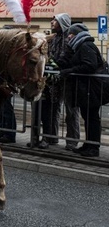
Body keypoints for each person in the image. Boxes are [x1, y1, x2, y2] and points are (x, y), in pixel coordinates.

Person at [57, 23, 108, 157]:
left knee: (92, 118)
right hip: (86, 89)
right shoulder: (79, 46)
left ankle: (93, 147)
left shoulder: (86, 46)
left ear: (75, 34)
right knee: (88, 117)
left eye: (70, 35)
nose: (68, 37)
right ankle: (88, 144)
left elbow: (89, 65)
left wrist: (69, 71)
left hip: (92, 89)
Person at [34, 13, 79, 149]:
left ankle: (72, 141)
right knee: (52, 110)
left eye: (55, 20)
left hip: (68, 79)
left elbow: (67, 58)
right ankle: (51, 137)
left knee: (71, 112)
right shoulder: (54, 38)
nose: (52, 22)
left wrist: (57, 65)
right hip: (54, 80)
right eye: (52, 20)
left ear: (62, 22)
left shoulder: (70, 38)